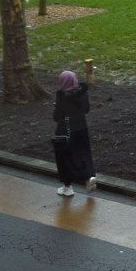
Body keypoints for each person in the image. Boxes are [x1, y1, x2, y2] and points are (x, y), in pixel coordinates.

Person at [52, 69, 97, 197]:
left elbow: (57, 116)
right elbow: (86, 109)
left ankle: (67, 186)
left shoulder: (62, 96)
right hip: (82, 127)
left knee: (64, 157)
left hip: (65, 129)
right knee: (83, 153)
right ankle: (89, 177)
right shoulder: (83, 93)